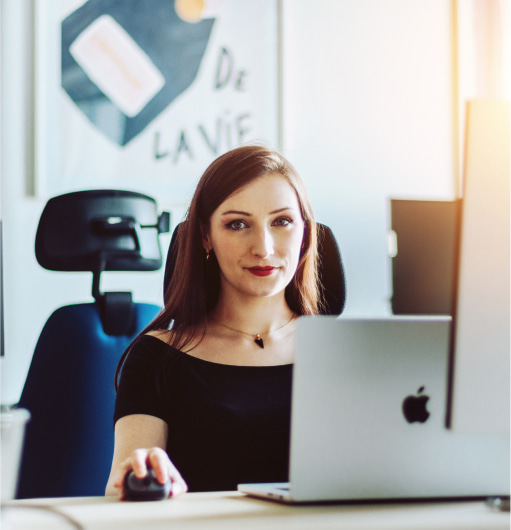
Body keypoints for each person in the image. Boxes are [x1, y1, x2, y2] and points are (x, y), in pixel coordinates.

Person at [105, 145, 324, 498]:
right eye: (238, 224)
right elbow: (124, 485)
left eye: (281, 221)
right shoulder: (157, 358)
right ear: (206, 236)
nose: (263, 248)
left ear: (305, 232)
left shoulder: (350, 351)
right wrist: (142, 478)